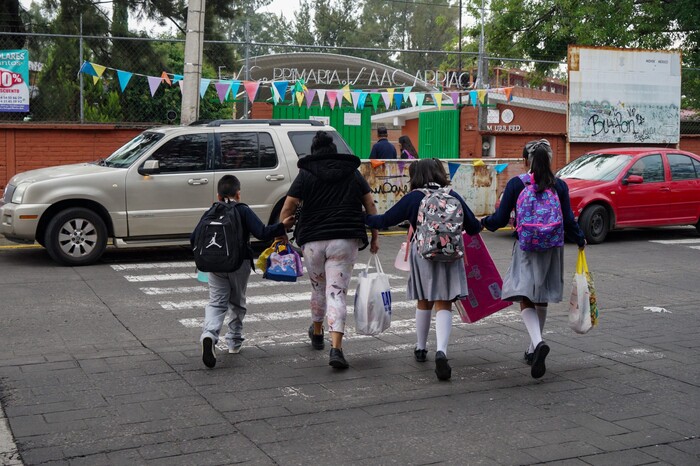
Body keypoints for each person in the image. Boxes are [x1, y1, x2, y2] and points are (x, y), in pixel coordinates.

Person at [365, 159, 481, 381]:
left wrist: (361, 217)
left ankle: (420, 348)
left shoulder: (415, 197)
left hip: (424, 255)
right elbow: (474, 227)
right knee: (444, 302)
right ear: (439, 173)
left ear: (415, 175)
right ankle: (442, 351)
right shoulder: (453, 195)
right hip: (450, 255)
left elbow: (383, 220)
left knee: (424, 300)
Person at [480, 139, 586, 379]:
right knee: (541, 297)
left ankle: (537, 343)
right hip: (552, 248)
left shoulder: (517, 183)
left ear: (525, 160)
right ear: (549, 160)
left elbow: (499, 220)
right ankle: (532, 348)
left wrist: (482, 223)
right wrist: (580, 239)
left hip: (527, 247)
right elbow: (569, 220)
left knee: (524, 296)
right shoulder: (559, 185)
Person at [279, 131, 379, 370]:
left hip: (312, 241)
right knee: (336, 293)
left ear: (314, 152)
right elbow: (370, 206)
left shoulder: (306, 174)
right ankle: (336, 348)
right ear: (334, 150)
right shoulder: (352, 173)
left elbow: (288, 206)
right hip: (344, 240)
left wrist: (281, 234)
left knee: (318, 288)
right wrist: (375, 237)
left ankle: (316, 332)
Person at [195, 175, 295, 368]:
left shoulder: (211, 211)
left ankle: (209, 334)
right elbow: (262, 233)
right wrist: (283, 226)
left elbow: (194, 238)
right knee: (237, 301)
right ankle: (233, 341)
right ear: (238, 194)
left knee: (216, 303)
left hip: (214, 266)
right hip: (238, 263)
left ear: (218, 195)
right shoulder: (243, 210)